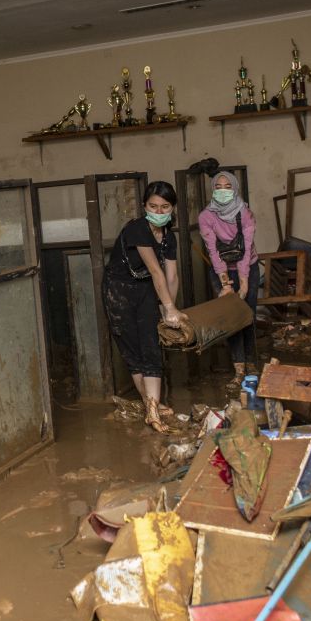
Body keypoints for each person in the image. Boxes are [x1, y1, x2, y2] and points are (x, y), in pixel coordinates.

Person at [101, 181, 187, 433]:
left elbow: (171, 276)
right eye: (153, 206)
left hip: (146, 289)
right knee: (131, 349)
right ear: (144, 206)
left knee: (150, 345)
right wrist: (168, 307)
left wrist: (166, 307)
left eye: (164, 207)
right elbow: (155, 270)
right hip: (118, 291)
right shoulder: (137, 229)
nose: (158, 212)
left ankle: (152, 408)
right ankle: (151, 406)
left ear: (172, 208)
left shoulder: (169, 236)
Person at [198, 171, 259, 392]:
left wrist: (243, 282)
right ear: (213, 190)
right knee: (232, 318)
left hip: (247, 267)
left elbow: (247, 250)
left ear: (234, 188)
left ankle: (252, 364)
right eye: (218, 187)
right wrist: (225, 283)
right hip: (220, 269)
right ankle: (239, 370)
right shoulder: (206, 216)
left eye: (227, 186)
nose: (223, 191)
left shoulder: (246, 213)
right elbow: (212, 251)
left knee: (248, 314)